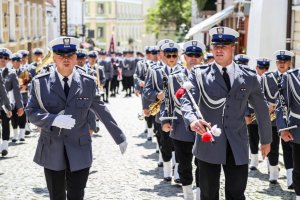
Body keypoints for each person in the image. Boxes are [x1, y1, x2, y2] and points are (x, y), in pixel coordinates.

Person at [25, 36, 128, 200]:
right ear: (53, 57)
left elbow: (101, 110)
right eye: (61, 55)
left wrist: (119, 137)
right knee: (56, 196)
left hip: (79, 148)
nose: (65, 59)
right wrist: (53, 120)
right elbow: (30, 112)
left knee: (76, 195)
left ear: (76, 57)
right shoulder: (40, 83)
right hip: (52, 148)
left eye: (70, 55)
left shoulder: (87, 82)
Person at [180, 27, 272, 200]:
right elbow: (187, 100)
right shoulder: (199, 75)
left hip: (237, 143)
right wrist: (192, 120)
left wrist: (266, 140)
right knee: (208, 194)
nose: (219, 49)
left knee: (237, 194)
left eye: (224, 45)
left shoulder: (249, 76)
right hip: (209, 143)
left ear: (233, 47)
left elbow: (261, 109)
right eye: (215, 46)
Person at [161, 40, 205, 200]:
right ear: (184, 57)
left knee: (203, 165)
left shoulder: (208, 77)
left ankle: (201, 194)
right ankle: (188, 194)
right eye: (190, 55)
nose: (193, 58)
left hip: (203, 127)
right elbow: (168, 102)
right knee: (184, 163)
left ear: (202, 57)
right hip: (180, 127)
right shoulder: (174, 78)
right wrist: (165, 120)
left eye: (197, 55)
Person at [263, 50, 294, 188]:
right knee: (273, 145)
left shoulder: (294, 77)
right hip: (272, 117)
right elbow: (259, 95)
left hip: (288, 119)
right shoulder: (267, 77)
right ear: (276, 63)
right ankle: (274, 172)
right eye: (279, 62)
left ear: (289, 63)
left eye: (285, 61)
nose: (282, 64)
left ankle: (290, 178)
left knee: (288, 147)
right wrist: (266, 106)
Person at [276, 59, 300, 200]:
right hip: (298, 128)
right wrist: (283, 128)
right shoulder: (290, 76)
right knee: (299, 169)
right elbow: (281, 104)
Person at [245, 58, 271, 170]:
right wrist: (246, 113)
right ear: (256, 68)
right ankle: (254, 161)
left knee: (268, 137)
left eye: (266, 68)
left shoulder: (271, 79)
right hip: (251, 111)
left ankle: (271, 164)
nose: (263, 70)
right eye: (261, 68)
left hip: (267, 112)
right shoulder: (251, 79)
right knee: (253, 136)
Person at [0, 48, 14, 156]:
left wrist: (8, 107)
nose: (2, 60)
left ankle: (4, 145)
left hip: (2, 105)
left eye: (5, 58)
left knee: (5, 124)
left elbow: (3, 91)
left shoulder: (10, 72)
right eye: (1, 57)